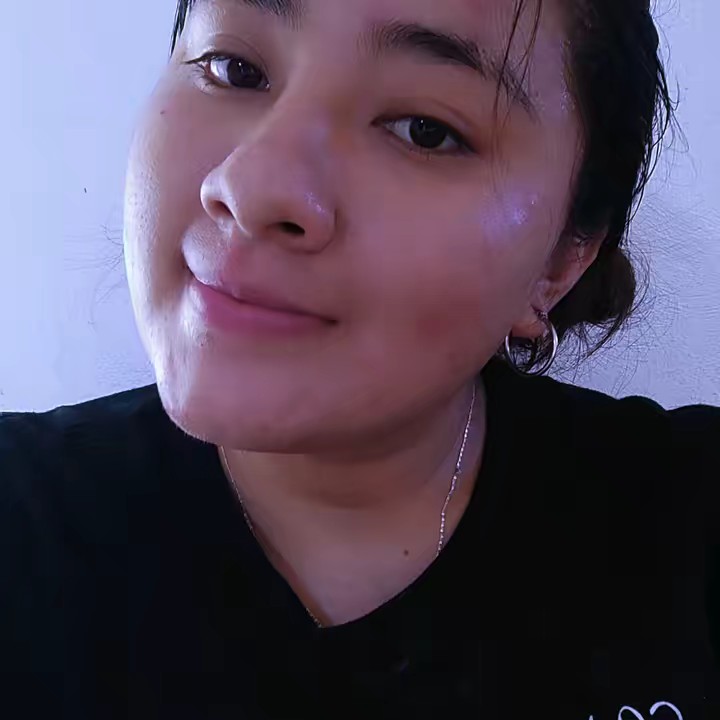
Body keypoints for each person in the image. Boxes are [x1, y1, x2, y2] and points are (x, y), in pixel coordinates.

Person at [1, 0, 718, 717]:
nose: (252, 189)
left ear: (560, 262)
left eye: (425, 131)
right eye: (234, 69)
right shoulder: (25, 526)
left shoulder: (688, 526)